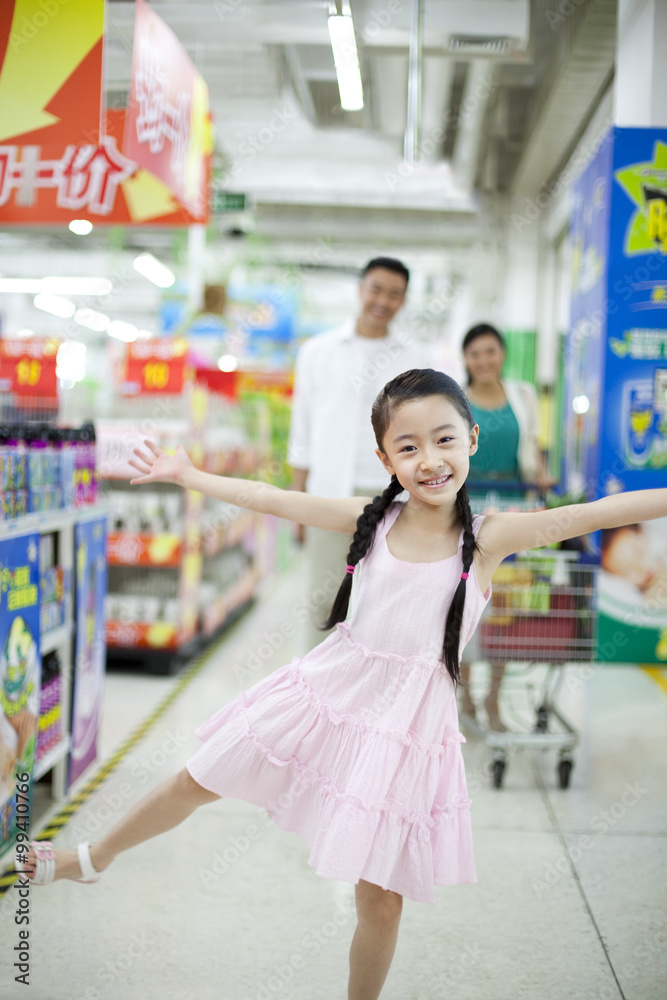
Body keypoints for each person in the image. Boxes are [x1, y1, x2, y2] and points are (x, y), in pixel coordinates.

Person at [20, 369, 667, 1000]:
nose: (429, 459)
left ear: (471, 438)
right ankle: (90, 858)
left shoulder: (487, 537)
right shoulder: (374, 520)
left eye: (443, 439)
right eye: (407, 447)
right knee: (199, 776)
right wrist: (188, 474)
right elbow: (272, 498)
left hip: (405, 725)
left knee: (379, 900)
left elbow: (592, 513)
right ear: (385, 458)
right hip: (328, 688)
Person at [288, 256, 434, 652]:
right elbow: (301, 431)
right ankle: (310, 696)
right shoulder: (318, 352)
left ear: (403, 300)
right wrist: (297, 500)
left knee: (385, 602)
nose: (383, 301)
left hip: (395, 497)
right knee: (325, 599)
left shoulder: (416, 359)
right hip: (329, 494)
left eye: (394, 294)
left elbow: (426, 434)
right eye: (376, 289)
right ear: (360, 290)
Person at [459, 322, 554, 730]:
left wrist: (542, 477)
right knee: (463, 605)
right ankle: (463, 698)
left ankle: (494, 699)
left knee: (505, 606)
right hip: (464, 508)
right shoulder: (454, 398)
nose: (483, 360)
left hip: (513, 507)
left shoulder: (523, 394)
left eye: (491, 352)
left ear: (503, 354)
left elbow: (533, 445)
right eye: (475, 353)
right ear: (466, 358)